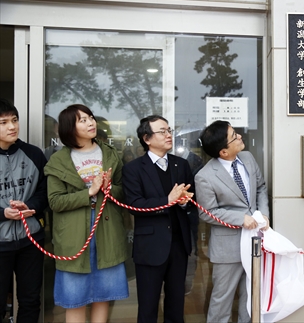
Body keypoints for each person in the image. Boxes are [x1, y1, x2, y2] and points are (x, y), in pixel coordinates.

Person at [44, 104, 129, 323]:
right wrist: (89, 192)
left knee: (103, 295)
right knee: (75, 298)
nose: (91, 122)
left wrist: (109, 189)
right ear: (68, 128)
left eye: (90, 117)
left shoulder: (109, 153)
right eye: (82, 120)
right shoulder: (58, 160)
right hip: (73, 234)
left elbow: (123, 192)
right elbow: (55, 201)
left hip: (107, 229)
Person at [195, 120, 270, 323]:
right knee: (222, 300)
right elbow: (207, 213)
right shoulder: (205, 177)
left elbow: (261, 187)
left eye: (235, 133)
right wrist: (240, 219)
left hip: (255, 241)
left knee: (251, 297)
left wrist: (263, 213)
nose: (239, 137)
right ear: (223, 152)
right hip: (228, 248)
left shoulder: (247, 157)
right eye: (234, 136)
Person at [122, 115, 194, 323]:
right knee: (148, 305)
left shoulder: (181, 165)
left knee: (176, 303)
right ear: (147, 138)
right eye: (162, 131)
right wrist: (168, 200)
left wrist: (182, 202)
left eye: (169, 130)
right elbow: (134, 205)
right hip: (150, 246)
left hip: (179, 245)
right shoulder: (133, 169)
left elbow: (191, 199)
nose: (168, 135)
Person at [0, 98, 48, 322]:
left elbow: (44, 192)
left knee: (30, 301)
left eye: (14, 120)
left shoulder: (34, 153)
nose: (12, 126)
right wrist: (2, 214)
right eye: (3, 122)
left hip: (31, 241)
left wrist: (31, 207)